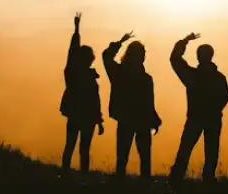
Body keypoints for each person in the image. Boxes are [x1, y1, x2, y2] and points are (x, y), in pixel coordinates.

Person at [169, 32, 228, 183]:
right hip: (213, 118)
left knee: (186, 149)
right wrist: (215, 109)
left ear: (199, 56)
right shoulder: (219, 77)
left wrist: (184, 42)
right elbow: (225, 97)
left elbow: (175, 59)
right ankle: (208, 178)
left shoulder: (192, 75)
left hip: (196, 118)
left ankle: (177, 177)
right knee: (211, 151)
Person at [102, 31, 162, 179]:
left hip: (132, 120)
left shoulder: (121, 73)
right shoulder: (125, 74)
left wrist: (154, 119)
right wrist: (119, 42)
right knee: (137, 157)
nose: (143, 56)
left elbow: (149, 102)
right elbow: (106, 56)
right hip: (134, 120)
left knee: (132, 157)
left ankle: (125, 185)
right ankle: (139, 185)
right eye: (141, 53)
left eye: (143, 53)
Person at [60, 12, 104, 173]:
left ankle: (68, 174)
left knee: (73, 146)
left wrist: (99, 120)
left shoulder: (74, 73)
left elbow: (95, 101)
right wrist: (77, 30)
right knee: (80, 148)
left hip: (80, 116)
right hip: (84, 117)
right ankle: (80, 176)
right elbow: (73, 51)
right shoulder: (75, 73)